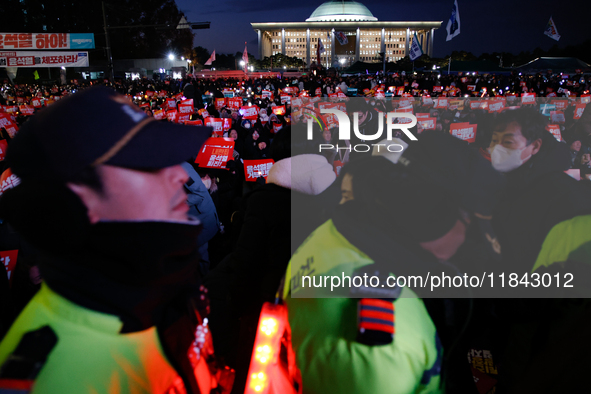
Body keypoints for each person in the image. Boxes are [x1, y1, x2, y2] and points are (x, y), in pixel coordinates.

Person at [0, 87, 233, 393]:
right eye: (150, 165)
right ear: (84, 198)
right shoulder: (57, 375)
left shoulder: (165, 285)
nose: (179, 177)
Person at [284, 132, 504, 394]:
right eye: (473, 230)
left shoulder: (337, 231)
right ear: (436, 217)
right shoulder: (386, 346)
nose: (472, 244)